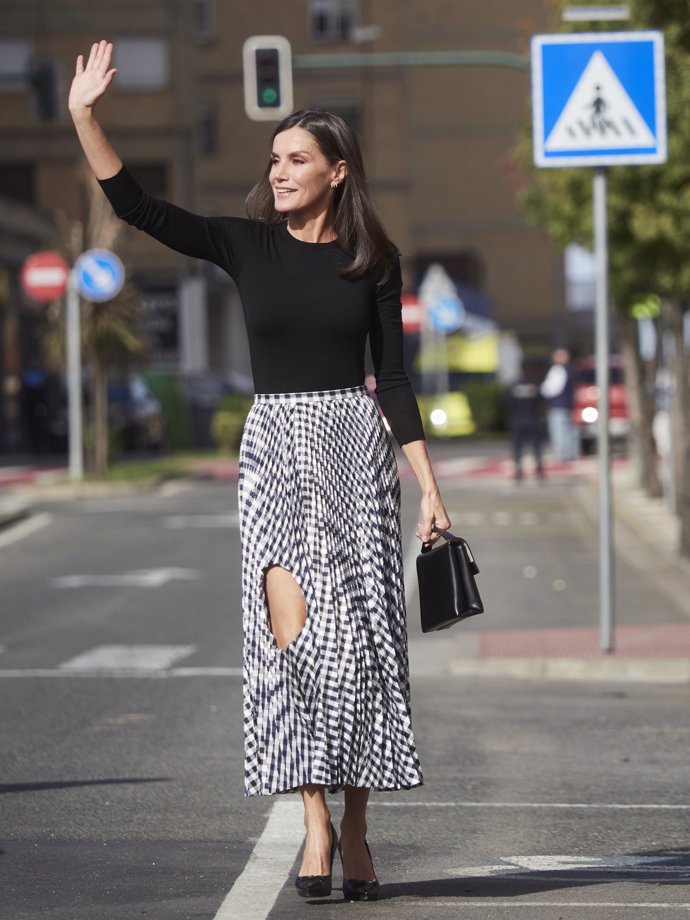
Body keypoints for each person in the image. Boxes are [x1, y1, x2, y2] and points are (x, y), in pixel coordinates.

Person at [69, 41, 451, 902]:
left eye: (296, 159)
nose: (278, 172)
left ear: (337, 172)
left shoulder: (373, 263)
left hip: (355, 455)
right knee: (295, 651)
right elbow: (136, 205)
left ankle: (357, 824)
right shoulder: (246, 246)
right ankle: (313, 821)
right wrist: (84, 115)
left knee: (363, 650)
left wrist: (429, 485)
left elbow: (392, 381)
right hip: (276, 453)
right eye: (273, 159)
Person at [505, 367, 545, 481]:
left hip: (518, 418)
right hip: (533, 418)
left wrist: (515, 412)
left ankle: (518, 469)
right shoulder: (535, 385)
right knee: (536, 446)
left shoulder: (513, 385)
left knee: (518, 447)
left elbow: (507, 401)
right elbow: (541, 400)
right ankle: (538, 468)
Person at [540, 347, 579, 462]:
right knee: (567, 431)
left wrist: (543, 394)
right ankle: (569, 454)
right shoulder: (571, 369)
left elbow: (552, 389)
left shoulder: (558, 370)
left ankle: (562, 456)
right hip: (567, 405)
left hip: (558, 405)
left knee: (559, 431)